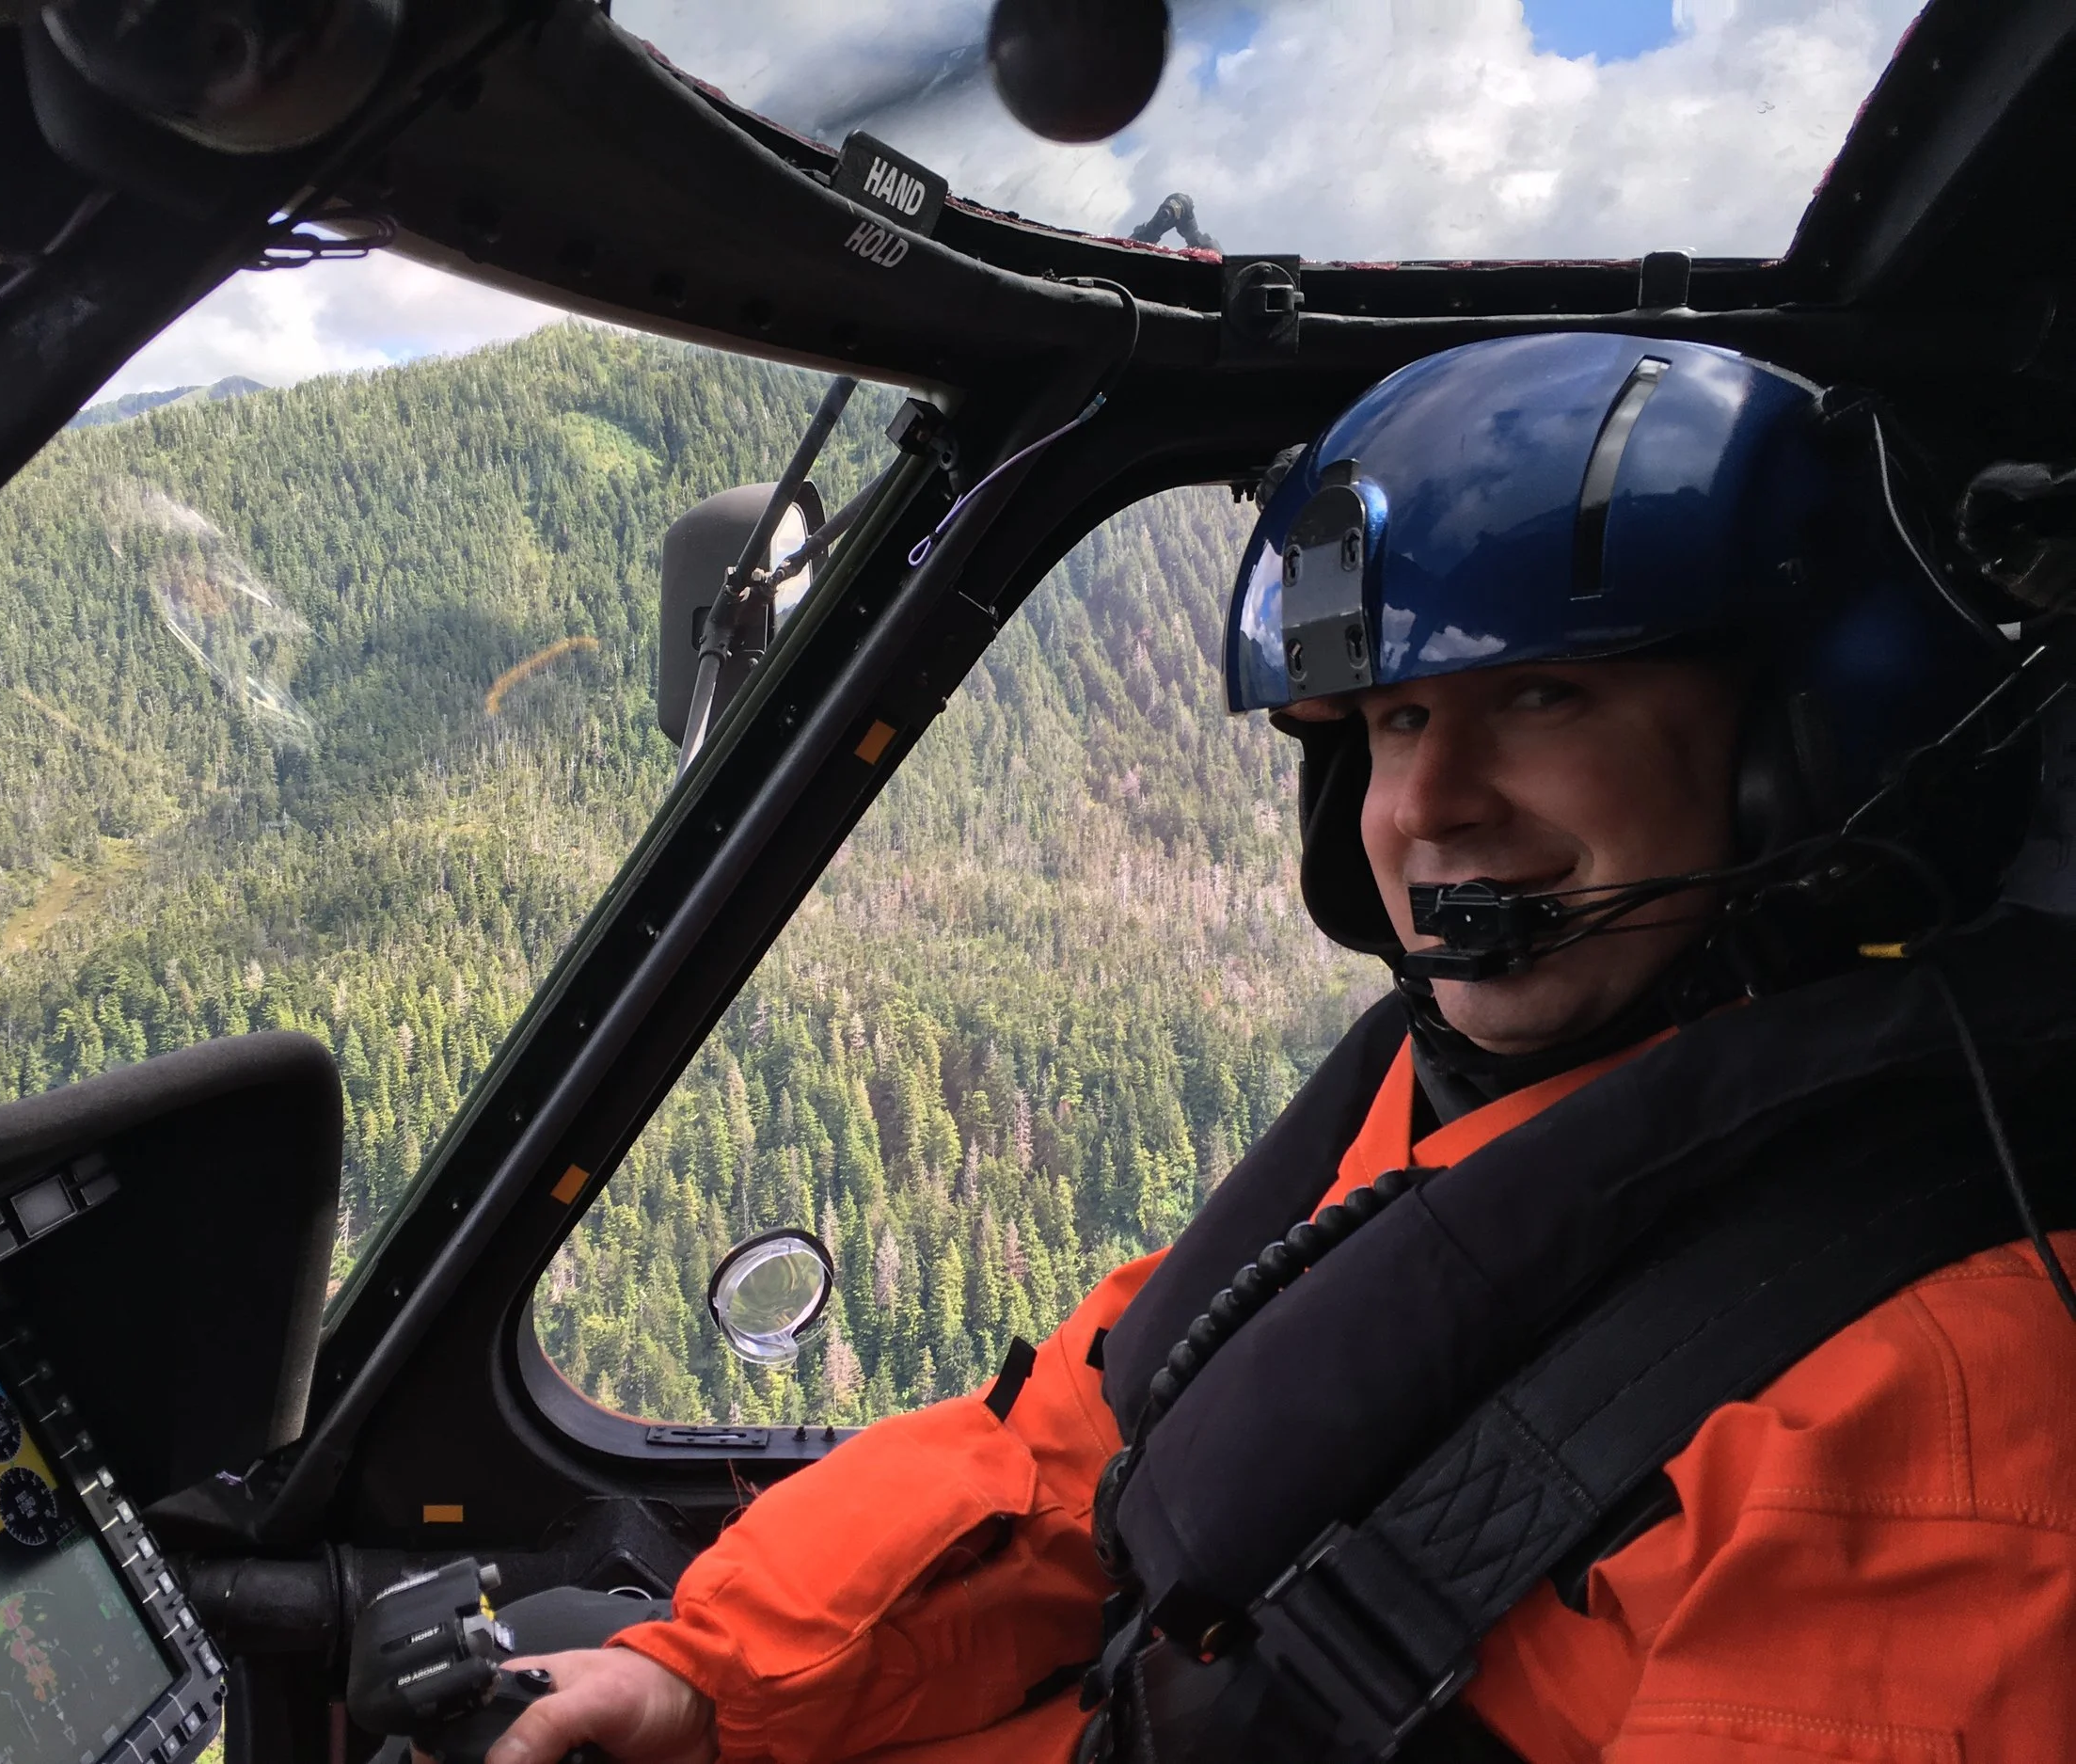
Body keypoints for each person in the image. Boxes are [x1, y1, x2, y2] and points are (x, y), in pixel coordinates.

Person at [472, 334, 2076, 1763]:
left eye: (1543, 697)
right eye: (1390, 722)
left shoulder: (1954, 1404)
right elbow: (1087, 1451)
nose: (1427, 805)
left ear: (1801, 754)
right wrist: (708, 1677)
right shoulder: (1448, 1102)